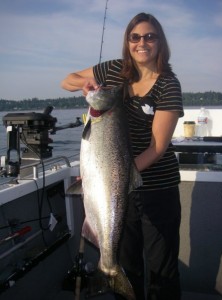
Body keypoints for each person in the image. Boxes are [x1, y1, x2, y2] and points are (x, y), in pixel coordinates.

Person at [61, 12, 184, 300]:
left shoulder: (168, 85)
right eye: (135, 37)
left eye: (150, 36)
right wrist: (85, 85)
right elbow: (67, 79)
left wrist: (112, 178)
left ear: (160, 43)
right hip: (119, 192)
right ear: (127, 42)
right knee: (126, 263)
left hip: (157, 189)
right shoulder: (116, 71)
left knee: (162, 270)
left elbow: (157, 148)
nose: (142, 42)